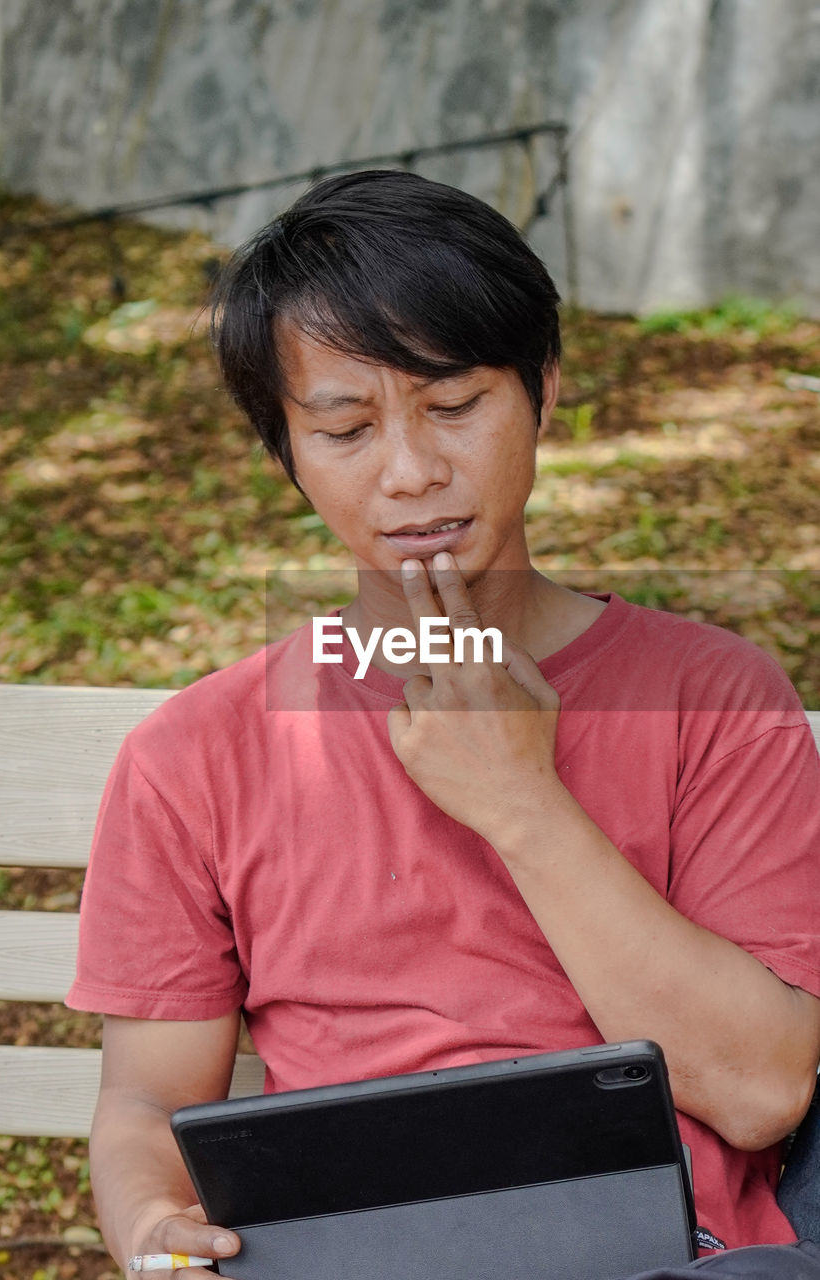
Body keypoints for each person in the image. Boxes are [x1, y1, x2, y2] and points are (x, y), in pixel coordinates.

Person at [66, 170, 820, 1278]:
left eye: (454, 405)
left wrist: (523, 801)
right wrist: (149, 1225)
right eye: (344, 427)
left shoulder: (714, 698)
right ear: (287, 452)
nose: (412, 472)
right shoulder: (196, 755)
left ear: (542, 391)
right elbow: (144, 1101)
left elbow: (759, 1092)